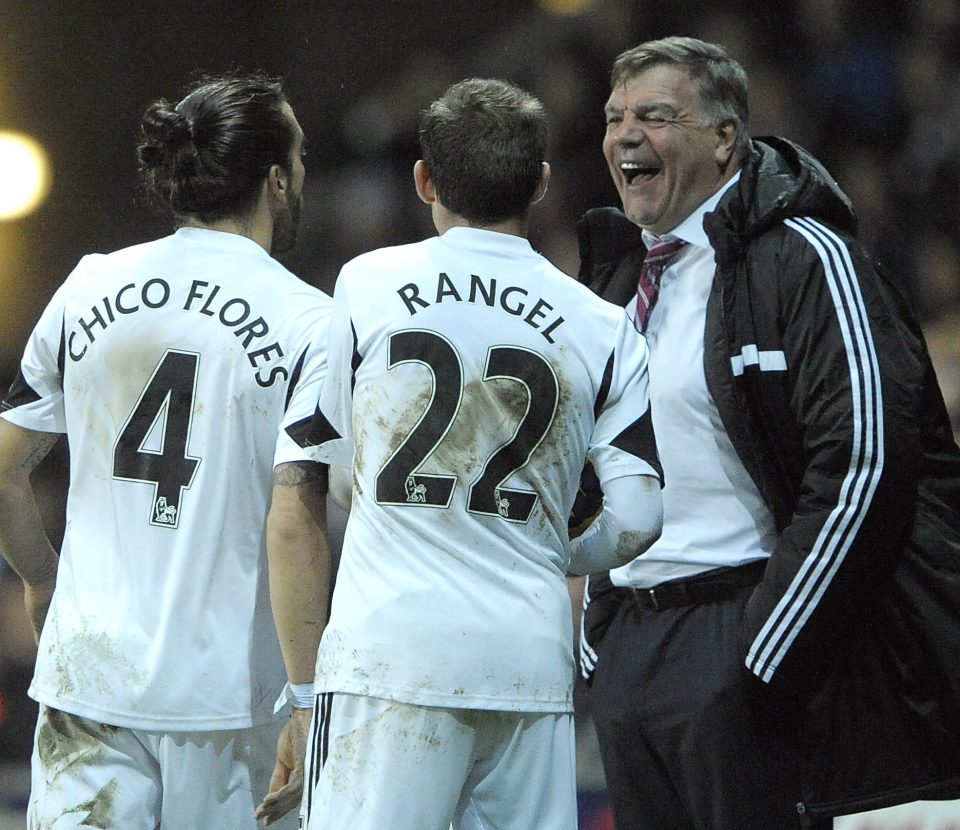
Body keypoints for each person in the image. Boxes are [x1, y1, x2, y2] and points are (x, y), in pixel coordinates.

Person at [254, 77, 664, 830]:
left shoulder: (366, 284)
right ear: (540, 183)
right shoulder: (604, 325)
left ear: (424, 179)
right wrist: (541, 547)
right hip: (527, 662)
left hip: (391, 656)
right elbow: (637, 519)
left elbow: (326, 472)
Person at [575, 35, 960, 830]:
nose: (625, 135)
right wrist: (602, 642)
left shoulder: (808, 254)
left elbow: (864, 464)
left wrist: (758, 656)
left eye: (654, 114)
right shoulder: (614, 280)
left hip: (745, 627)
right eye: (615, 118)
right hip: (635, 652)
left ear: (724, 139)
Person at [0, 72, 331, 829]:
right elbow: (296, 519)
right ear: (276, 180)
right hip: (225, 704)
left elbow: (3, 469)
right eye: (301, 157)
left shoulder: (87, 286)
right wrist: (310, 700)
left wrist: (44, 583)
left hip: (90, 685)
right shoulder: (310, 321)